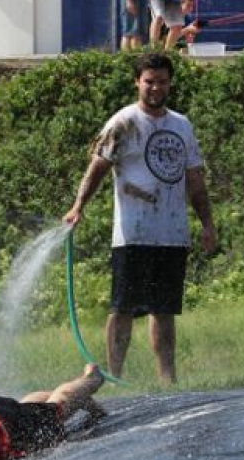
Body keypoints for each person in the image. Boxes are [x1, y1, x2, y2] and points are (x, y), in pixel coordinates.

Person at [63, 52, 216, 385]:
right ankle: (114, 378)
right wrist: (78, 206)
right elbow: (97, 168)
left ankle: (167, 381)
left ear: (170, 83)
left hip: (172, 233)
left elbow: (195, 180)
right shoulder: (123, 122)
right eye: (149, 81)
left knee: (164, 311)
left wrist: (207, 224)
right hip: (133, 233)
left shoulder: (181, 125)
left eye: (161, 81)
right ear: (137, 82)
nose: (155, 88)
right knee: (123, 308)